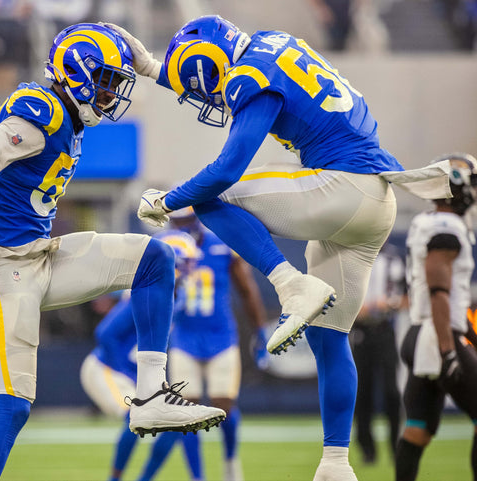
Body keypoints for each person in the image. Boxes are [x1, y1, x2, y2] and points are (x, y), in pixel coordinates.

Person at [104, 15, 451, 481]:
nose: (208, 97)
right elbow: (219, 69)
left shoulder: (250, 75)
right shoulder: (269, 44)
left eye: (202, 84)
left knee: (210, 194)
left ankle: (288, 284)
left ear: (212, 62)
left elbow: (226, 170)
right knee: (331, 340)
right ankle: (335, 463)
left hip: (341, 187)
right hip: (378, 202)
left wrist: (168, 200)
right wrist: (151, 69)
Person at [0, 23, 225, 481]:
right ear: (77, 75)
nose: (113, 93)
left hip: (39, 254)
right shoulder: (40, 111)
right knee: (12, 409)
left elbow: (129, 52)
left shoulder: (69, 110)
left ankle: (150, 397)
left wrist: (156, 69)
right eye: (105, 81)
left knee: (154, 260)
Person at [138, 207, 269, 481]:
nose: (183, 228)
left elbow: (246, 289)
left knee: (224, 405)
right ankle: (197, 477)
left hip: (221, 336)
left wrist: (259, 328)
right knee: (186, 413)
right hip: (184, 338)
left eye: (187, 221)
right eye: (178, 222)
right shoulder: (166, 248)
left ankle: (231, 461)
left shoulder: (221, 245)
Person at [80, 229, 202, 481]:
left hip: (132, 371)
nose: (193, 267)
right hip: (106, 368)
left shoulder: (178, 298)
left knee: (174, 424)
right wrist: (131, 376)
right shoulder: (145, 295)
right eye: (188, 262)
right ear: (176, 262)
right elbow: (105, 334)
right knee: (134, 414)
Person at [395, 153, 477, 481]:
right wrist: (448, 350)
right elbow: (438, 289)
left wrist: (468, 333)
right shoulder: (447, 225)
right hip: (437, 336)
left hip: (421, 333)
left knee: (418, 429)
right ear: (456, 185)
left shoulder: (424, 221)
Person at [349, 241, 405, 464]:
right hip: (360, 332)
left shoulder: (393, 258)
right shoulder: (353, 256)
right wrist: (354, 308)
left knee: (391, 391)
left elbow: (406, 295)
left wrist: (388, 304)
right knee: (362, 392)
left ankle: (396, 446)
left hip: (384, 330)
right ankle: (367, 450)